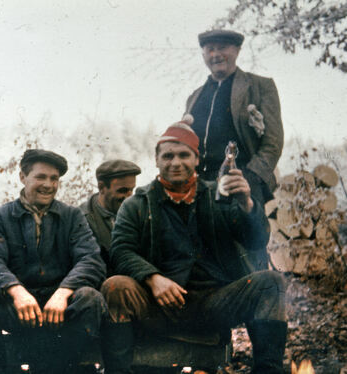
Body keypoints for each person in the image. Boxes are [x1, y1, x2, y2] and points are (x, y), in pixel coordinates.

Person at [100, 122, 287, 374]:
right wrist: (153, 279)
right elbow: (121, 251)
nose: (175, 162)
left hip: (214, 303)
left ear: (197, 159)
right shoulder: (137, 204)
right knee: (116, 286)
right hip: (157, 307)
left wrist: (246, 203)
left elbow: (256, 241)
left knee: (271, 283)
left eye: (184, 155)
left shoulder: (220, 195)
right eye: (167, 156)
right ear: (156, 160)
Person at [0, 149, 107, 373]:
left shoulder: (72, 216)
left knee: (90, 298)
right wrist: (17, 291)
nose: (48, 185)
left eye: (54, 179)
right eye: (40, 177)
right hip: (18, 308)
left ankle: (60, 367)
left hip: (59, 308)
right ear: (22, 177)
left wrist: (64, 292)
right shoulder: (0, 216)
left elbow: (91, 259)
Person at [185, 29, 284, 204]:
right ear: (203, 55)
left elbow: (273, 143)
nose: (216, 54)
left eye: (222, 47)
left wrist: (251, 177)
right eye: (210, 49)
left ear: (237, 50)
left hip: (242, 185)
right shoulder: (194, 97)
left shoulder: (260, 87)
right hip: (200, 189)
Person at [79, 159, 141, 274]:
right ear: (101, 187)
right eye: (122, 191)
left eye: (131, 190)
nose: (128, 197)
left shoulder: (138, 212)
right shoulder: (82, 219)